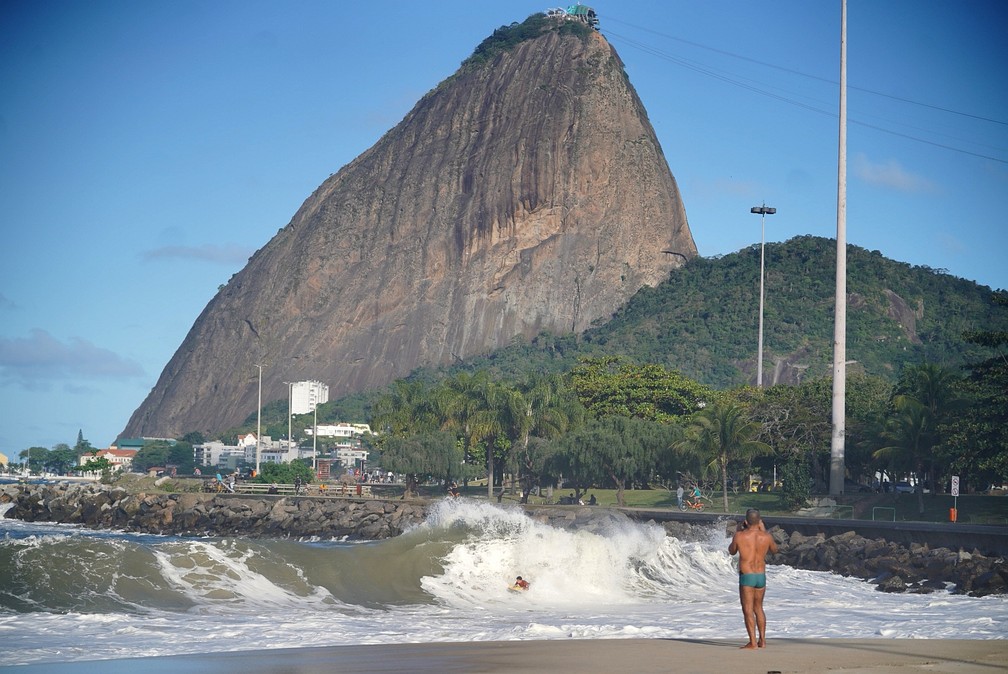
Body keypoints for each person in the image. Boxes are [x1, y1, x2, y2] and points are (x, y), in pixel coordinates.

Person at [728, 508, 779, 649]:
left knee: (748, 609)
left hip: (747, 575)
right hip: (760, 575)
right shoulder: (766, 536)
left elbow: (732, 551)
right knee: (759, 608)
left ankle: (753, 642)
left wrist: (738, 530)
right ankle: (762, 641)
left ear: (745, 521)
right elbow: (775, 550)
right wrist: (764, 531)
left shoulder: (739, 535)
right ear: (760, 521)